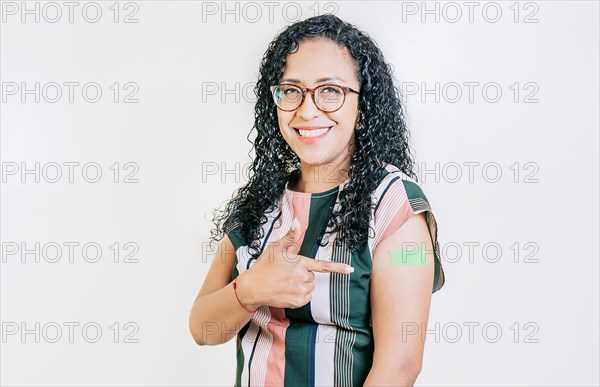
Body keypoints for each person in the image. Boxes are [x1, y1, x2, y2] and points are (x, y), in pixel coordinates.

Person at [189, 14, 446, 387]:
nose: (307, 110)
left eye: (330, 90)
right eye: (291, 90)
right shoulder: (260, 203)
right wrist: (251, 288)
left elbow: (400, 366)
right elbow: (203, 328)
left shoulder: (395, 205)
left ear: (363, 106)